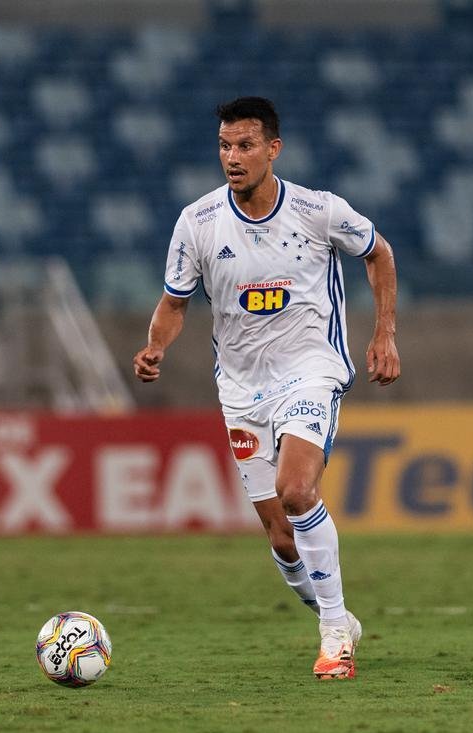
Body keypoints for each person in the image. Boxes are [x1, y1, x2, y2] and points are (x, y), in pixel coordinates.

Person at [132, 96, 400, 680]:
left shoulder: (318, 210)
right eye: (225, 146)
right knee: (282, 538)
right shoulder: (197, 222)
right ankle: (337, 613)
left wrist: (385, 333)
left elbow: (378, 253)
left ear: (272, 149)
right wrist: (156, 345)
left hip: (311, 369)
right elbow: (175, 303)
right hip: (241, 389)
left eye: (245, 145)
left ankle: (334, 636)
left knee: (297, 491)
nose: (233, 156)